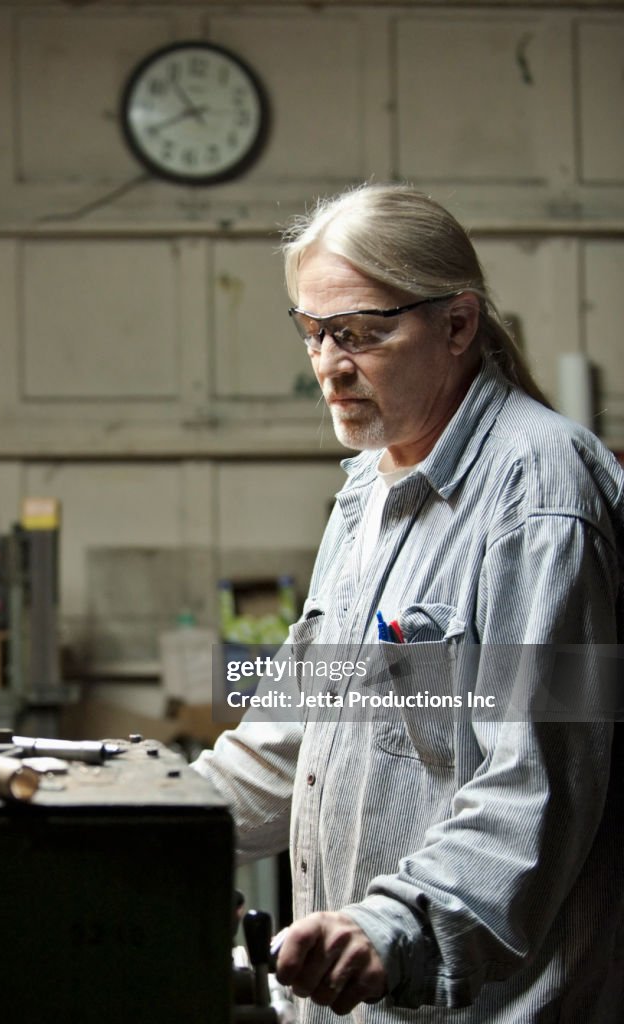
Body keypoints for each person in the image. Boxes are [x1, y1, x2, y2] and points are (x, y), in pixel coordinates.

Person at [193, 183, 624, 1022]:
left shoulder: (541, 500)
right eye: (312, 331)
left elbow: (537, 792)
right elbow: (291, 738)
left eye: (359, 333)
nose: (328, 364)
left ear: (457, 325)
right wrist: (124, 812)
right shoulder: (369, 490)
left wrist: (393, 928)